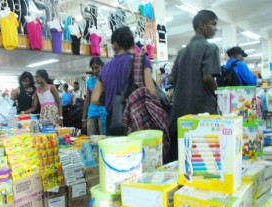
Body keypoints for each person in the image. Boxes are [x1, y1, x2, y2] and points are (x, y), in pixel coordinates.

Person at [168, 10, 221, 161]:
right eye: (213, 24)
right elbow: (207, 77)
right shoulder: (210, 48)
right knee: (202, 161)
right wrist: (219, 95)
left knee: (180, 161)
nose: (216, 28)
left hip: (179, 115)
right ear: (203, 26)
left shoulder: (182, 52)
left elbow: (171, 80)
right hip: (201, 115)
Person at [91, 26, 158, 134]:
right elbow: (152, 92)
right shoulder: (141, 60)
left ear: (114, 45)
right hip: (136, 122)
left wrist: (113, 101)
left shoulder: (106, 68)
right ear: (133, 44)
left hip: (113, 122)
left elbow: (95, 99)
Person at [82, 57, 108, 135]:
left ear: (102, 66)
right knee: (91, 138)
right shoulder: (90, 81)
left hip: (104, 113)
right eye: (92, 68)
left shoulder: (107, 79)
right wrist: (83, 119)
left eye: (97, 67)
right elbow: (87, 100)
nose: (95, 71)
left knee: (103, 138)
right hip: (91, 113)